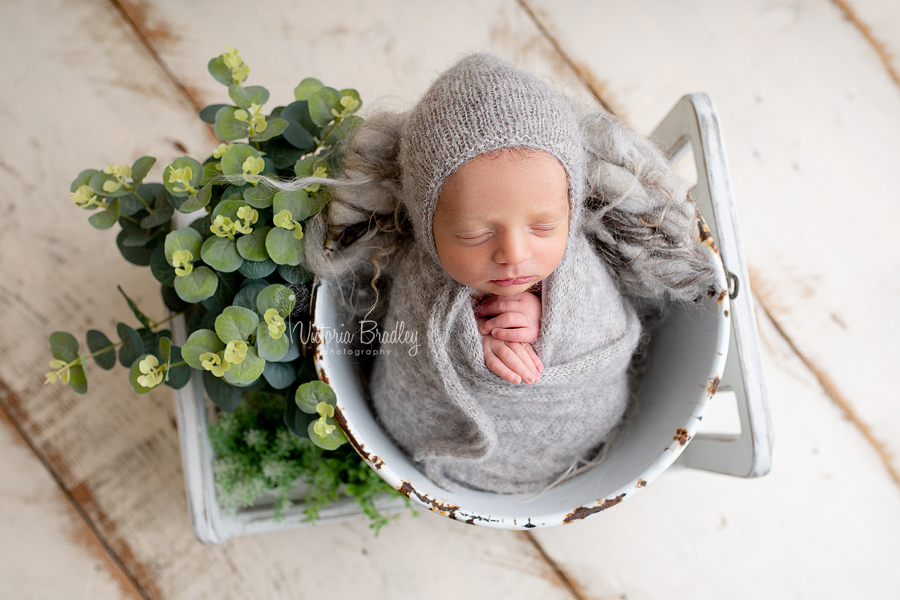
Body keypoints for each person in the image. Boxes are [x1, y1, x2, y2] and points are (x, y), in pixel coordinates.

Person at [302, 53, 717, 494]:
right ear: (427, 224)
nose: (515, 254)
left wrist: (551, 320)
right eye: (474, 233)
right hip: (433, 439)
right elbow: (409, 347)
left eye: (544, 227)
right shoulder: (419, 273)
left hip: (572, 428)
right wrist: (467, 343)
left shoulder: (579, 263)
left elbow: (610, 331)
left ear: (572, 211)